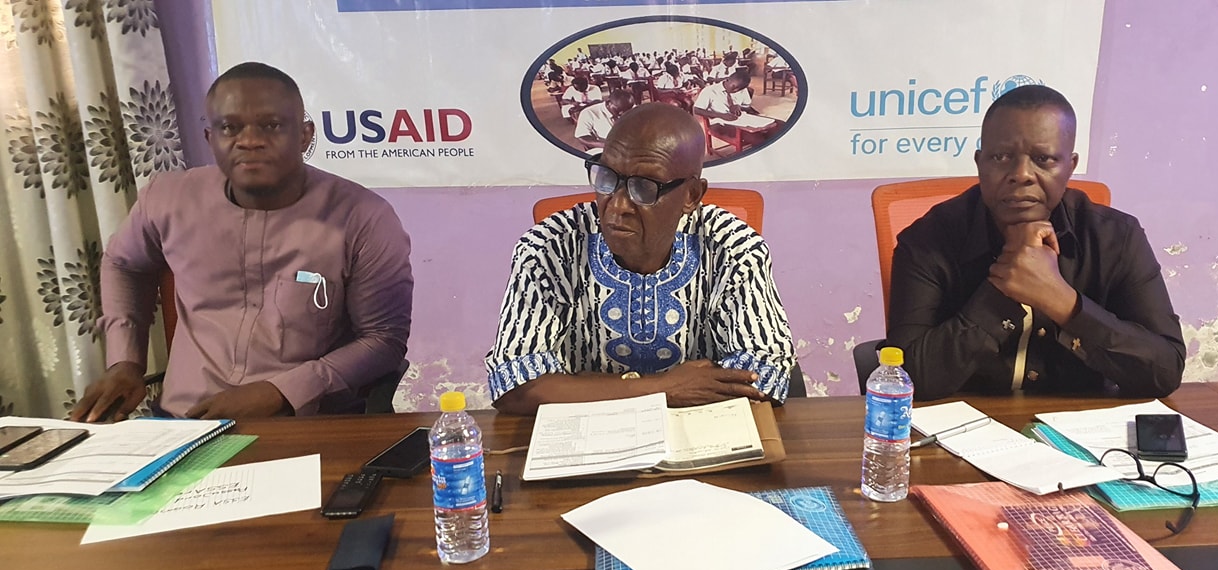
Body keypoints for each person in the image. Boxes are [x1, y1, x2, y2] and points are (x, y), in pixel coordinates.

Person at [72, 62, 413, 421]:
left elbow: (383, 340)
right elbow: (123, 263)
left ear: (305, 135)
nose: (249, 141)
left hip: (305, 424)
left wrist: (282, 391)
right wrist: (125, 360)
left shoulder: (364, 218)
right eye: (230, 128)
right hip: (185, 422)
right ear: (210, 139)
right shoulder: (168, 198)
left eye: (271, 126)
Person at [486, 103, 796, 415]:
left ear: (691, 195)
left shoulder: (734, 248)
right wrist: (665, 389)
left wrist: (580, 385)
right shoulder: (549, 247)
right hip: (585, 435)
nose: (617, 206)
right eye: (606, 177)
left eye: (644, 187)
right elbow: (514, 386)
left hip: (698, 432)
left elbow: (765, 376)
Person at [886, 85, 1184, 400]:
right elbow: (905, 377)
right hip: (966, 424)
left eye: (1043, 159)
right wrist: (1001, 292)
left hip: (1080, 424)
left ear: (1070, 166)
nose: (1022, 174)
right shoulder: (928, 239)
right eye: (1000, 157)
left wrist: (1061, 301)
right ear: (979, 163)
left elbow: (1165, 370)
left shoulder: (1117, 238)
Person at [693, 70, 758, 122]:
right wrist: (721, 115)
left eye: (740, 89)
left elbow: (748, 107)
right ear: (727, 80)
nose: (736, 90)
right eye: (734, 86)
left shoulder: (743, 91)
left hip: (739, 120)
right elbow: (697, 110)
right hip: (719, 122)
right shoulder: (710, 90)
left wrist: (739, 107)